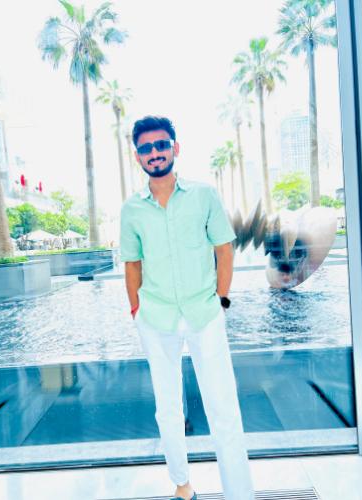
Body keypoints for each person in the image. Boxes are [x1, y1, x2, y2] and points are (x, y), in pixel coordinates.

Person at [120, 116, 255, 500]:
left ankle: (240, 494)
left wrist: (221, 300)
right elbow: (132, 264)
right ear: (138, 156)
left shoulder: (204, 195)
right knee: (167, 408)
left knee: (223, 407)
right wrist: (136, 311)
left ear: (175, 148)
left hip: (204, 314)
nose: (154, 153)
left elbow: (224, 249)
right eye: (146, 148)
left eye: (161, 145)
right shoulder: (132, 209)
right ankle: (182, 486)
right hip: (156, 317)